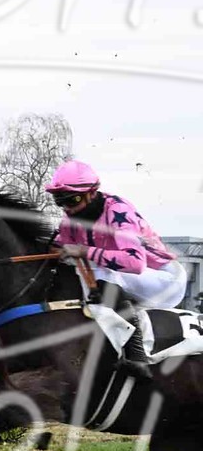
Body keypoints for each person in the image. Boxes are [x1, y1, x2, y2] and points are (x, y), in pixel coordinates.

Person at [46, 159, 186, 375]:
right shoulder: (70, 219)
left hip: (165, 280)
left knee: (101, 270)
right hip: (130, 282)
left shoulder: (118, 210)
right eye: (60, 201)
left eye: (73, 200)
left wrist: (84, 251)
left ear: (92, 193)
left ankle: (137, 355)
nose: (67, 208)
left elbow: (134, 263)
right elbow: (57, 250)